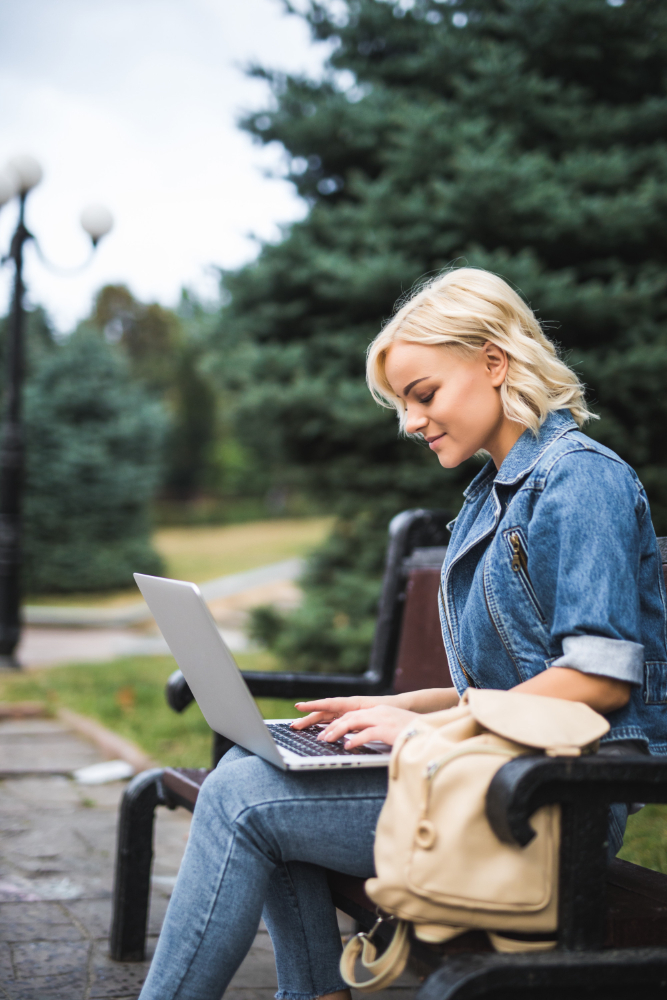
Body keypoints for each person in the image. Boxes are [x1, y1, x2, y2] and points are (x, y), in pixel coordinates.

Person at [139, 268, 667, 1000]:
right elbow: (501, 693)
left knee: (241, 799)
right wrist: (393, 712)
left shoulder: (581, 482)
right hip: (488, 772)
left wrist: (418, 727)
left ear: (493, 360)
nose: (411, 422)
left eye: (423, 395)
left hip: (553, 801)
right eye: (402, 405)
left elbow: (599, 677)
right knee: (268, 782)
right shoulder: (491, 495)